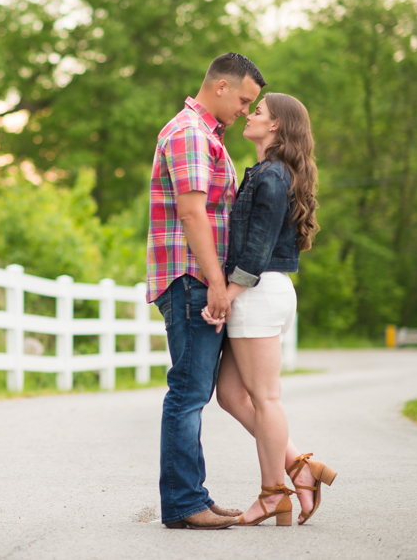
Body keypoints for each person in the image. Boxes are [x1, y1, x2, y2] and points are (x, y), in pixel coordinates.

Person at [203, 93, 337, 526]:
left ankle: (273, 493)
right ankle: (300, 467)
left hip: (257, 291)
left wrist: (226, 296)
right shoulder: (266, 173)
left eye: (257, 111)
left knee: (265, 397)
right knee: (230, 395)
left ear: (276, 125)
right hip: (260, 291)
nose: (248, 113)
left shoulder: (273, 176)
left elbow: (257, 251)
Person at [146, 52, 264, 530]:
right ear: (220, 86)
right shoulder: (190, 134)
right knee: (188, 392)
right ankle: (183, 505)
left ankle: (194, 496)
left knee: (193, 390)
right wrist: (217, 283)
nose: (245, 110)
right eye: (243, 99)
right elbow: (194, 214)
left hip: (197, 279)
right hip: (194, 280)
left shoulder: (204, 135)